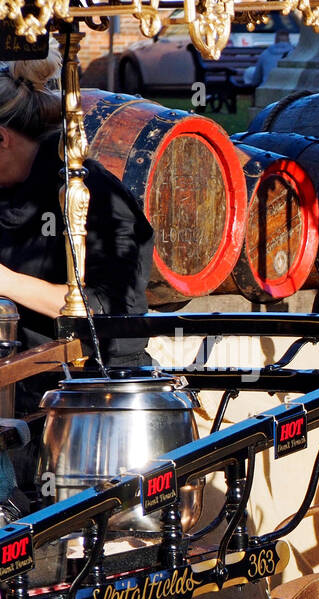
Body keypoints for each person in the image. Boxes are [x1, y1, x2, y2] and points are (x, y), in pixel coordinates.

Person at [0, 46, 154, 507]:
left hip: (82, 413)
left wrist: (6, 282)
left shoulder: (92, 196)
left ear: (2, 139)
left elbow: (113, 313)